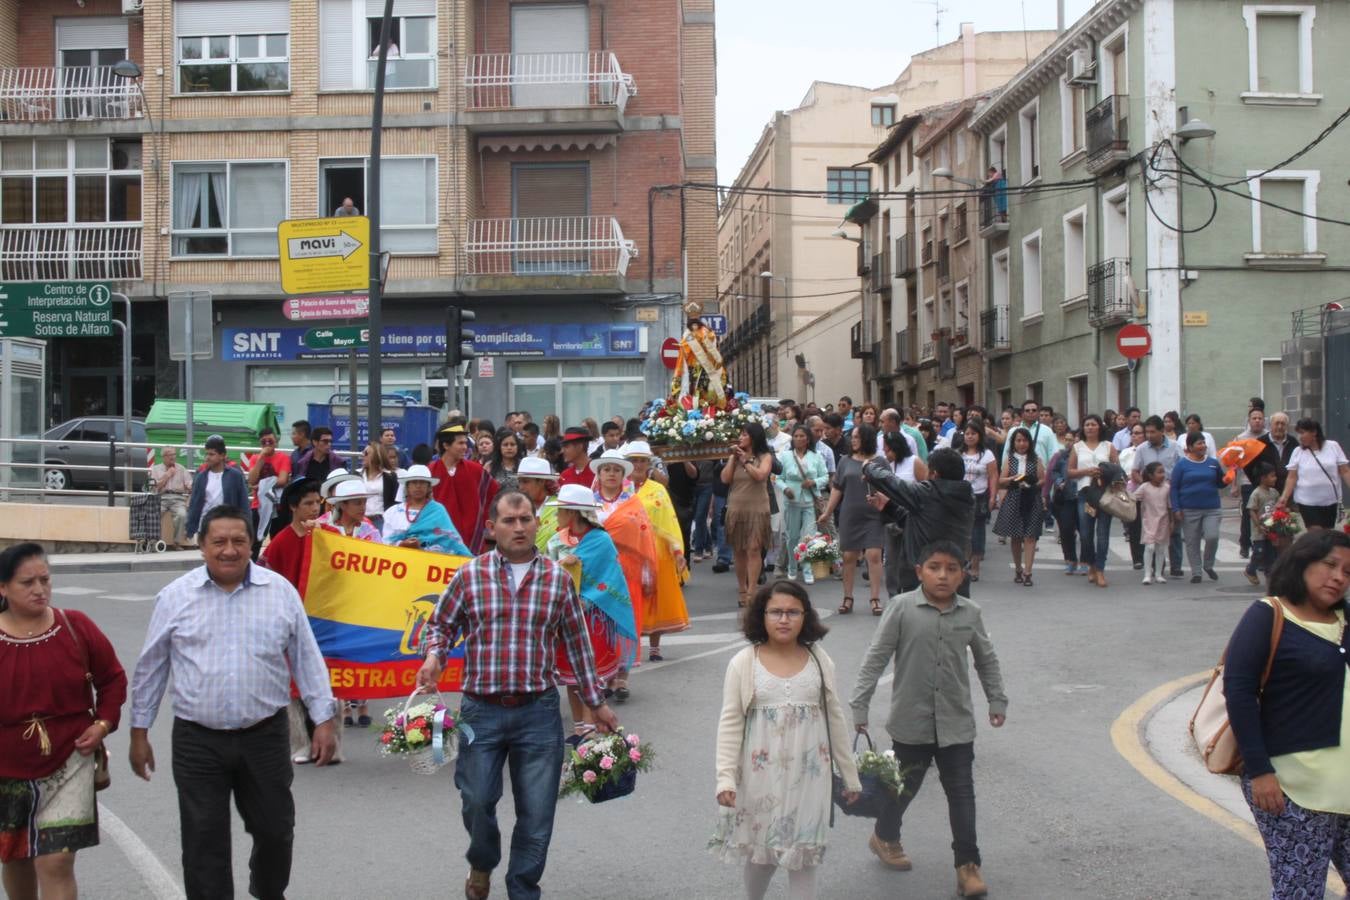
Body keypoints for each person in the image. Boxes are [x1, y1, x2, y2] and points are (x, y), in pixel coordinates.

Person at [417, 491, 620, 900]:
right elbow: (440, 625)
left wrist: (596, 703)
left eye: (526, 519)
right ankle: (482, 860)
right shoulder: (470, 575)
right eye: (509, 521)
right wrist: (435, 656)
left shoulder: (557, 579)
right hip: (481, 711)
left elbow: (578, 646)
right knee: (475, 800)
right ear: (492, 529)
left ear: (536, 524)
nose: (520, 527)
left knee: (538, 814)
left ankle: (522, 889)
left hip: (539, 712)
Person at [129, 505, 338, 900]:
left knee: (276, 829)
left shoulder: (280, 593)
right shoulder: (175, 598)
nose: (229, 550)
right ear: (202, 546)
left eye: (239, 541)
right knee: (203, 841)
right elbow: (151, 668)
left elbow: (307, 658)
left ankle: (267, 890)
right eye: (219, 542)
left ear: (252, 544)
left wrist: (323, 719)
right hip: (197, 740)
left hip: (265, 735)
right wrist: (139, 732)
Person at [850, 541, 1007, 898]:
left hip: (956, 723)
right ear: (919, 571)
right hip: (911, 721)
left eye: (952, 568)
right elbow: (875, 658)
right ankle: (884, 836)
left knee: (962, 794)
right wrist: (860, 707)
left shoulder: (970, 612)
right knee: (902, 790)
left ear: (962, 574)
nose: (943, 575)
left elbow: (987, 660)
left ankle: (967, 865)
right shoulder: (901, 608)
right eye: (934, 567)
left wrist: (996, 699)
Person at [710, 581, 861, 900]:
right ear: (761, 616)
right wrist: (725, 779)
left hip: (810, 778)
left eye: (793, 612)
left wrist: (850, 776)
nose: (784, 619)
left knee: (803, 857)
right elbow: (730, 722)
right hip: (759, 780)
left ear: (806, 617)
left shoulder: (820, 660)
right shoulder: (744, 662)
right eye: (776, 612)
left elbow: (835, 719)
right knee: (762, 856)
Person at [1223, 530, 1350, 900]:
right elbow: (1240, 692)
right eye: (1329, 565)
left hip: (1345, 783)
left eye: (1348, 571)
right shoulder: (1269, 615)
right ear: (1302, 563)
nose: (1339, 577)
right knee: (1300, 892)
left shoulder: (1345, 620)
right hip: (1294, 787)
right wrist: (1261, 772)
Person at [0, 543, 127, 900]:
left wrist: (102, 724)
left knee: (55, 861)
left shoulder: (76, 626)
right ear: (3, 588)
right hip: (5, 767)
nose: (40, 589)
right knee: (16, 858)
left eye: (45, 579)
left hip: (70, 762)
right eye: (28, 582)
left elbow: (113, 679)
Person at [542, 484, 636, 742]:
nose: (557, 515)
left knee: (588, 674)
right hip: (565, 617)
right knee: (572, 676)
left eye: (561, 509)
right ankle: (580, 726)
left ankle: (590, 727)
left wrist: (585, 594)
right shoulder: (557, 539)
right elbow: (548, 570)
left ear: (573, 512)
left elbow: (610, 578)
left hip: (592, 615)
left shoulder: (601, 540)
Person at [863, 448, 975, 598]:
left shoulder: (928, 493)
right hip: (955, 575)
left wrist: (868, 468)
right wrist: (888, 506)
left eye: (928, 470)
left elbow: (894, 484)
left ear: (935, 474)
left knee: (919, 619)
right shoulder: (966, 495)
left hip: (923, 577)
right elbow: (922, 522)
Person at [624, 441, 690, 661]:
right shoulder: (620, 489)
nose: (638, 465)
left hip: (656, 549)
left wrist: (677, 551)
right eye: (634, 460)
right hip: (628, 549)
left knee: (656, 596)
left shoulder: (658, 489)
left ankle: (654, 646)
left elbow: (670, 521)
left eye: (642, 460)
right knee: (631, 598)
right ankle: (633, 643)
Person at [817, 423, 884, 615]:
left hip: (873, 515)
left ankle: (875, 598)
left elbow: (889, 487)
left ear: (867, 439)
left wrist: (881, 499)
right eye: (852, 437)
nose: (853, 440)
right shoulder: (845, 461)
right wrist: (827, 512)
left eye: (857, 437)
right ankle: (847, 597)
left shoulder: (880, 461)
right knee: (848, 557)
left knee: (873, 555)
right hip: (850, 514)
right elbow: (837, 488)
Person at [723, 423, 775, 609]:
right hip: (737, 508)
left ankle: (752, 590)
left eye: (745, 434)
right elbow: (725, 479)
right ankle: (742, 589)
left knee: (754, 549)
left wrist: (746, 461)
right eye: (741, 434)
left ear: (754, 437)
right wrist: (732, 457)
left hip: (758, 508)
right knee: (739, 550)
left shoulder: (765, 456)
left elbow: (760, 475)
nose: (741, 437)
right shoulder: (735, 457)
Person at [430, 424, 499, 554]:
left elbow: (493, 494)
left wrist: (484, 522)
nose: (465, 447)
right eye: (460, 443)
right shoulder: (430, 471)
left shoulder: (476, 470)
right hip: (438, 536)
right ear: (446, 445)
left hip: (471, 536)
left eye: (466, 443)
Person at [1069, 415, 1119, 588]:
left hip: (1105, 494)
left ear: (1099, 427)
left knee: (1103, 534)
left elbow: (1117, 470)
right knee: (1085, 534)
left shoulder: (1109, 446)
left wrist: (1104, 473)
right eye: (1087, 425)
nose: (1090, 427)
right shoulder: (1077, 447)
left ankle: (1100, 569)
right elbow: (1070, 471)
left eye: (1093, 424)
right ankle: (1090, 563)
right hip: (1085, 494)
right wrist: (1086, 471)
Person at [1131, 415, 1185, 577]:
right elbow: (1134, 471)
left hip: (1170, 492)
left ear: (1162, 431)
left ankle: (1176, 565)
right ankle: (1156, 566)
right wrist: (1147, 485)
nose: (1149, 435)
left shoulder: (1175, 447)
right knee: (1153, 529)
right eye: (1147, 432)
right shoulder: (1142, 449)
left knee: (1173, 528)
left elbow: (1182, 469)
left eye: (1152, 432)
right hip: (1151, 496)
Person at [1171, 431, 1227, 584]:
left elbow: (1220, 482)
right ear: (1190, 447)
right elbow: (1174, 487)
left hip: (1212, 508)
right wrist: (1176, 508)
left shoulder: (1213, 463)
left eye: (1203, 443)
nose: (1203, 446)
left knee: (1212, 536)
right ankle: (1196, 571)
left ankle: (1208, 565)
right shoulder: (1182, 465)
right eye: (1199, 443)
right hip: (1189, 509)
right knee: (1192, 541)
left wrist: (1228, 478)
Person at [1277, 417, 1350, 531]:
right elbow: (1292, 477)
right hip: (1307, 501)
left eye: (1303, 433)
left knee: (1327, 533)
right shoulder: (1298, 452)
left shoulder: (1333, 447)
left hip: (1330, 500)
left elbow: (1345, 471)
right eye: (1298, 433)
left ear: (1314, 432)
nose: (1300, 437)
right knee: (1316, 533)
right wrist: (1284, 498)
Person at [381, 464, 472, 555]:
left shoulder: (438, 510)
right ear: (407, 487)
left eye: (422, 482)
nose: (418, 486)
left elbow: (451, 541)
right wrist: (401, 544)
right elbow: (386, 542)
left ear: (429, 487)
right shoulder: (393, 512)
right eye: (414, 482)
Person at [993, 427, 1044, 586]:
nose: (1022, 444)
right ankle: (1017, 568)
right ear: (1013, 443)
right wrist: (1012, 479)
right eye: (1018, 440)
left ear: (1030, 442)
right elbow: (1000, 481)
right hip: (1014, 497)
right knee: (1016, 536)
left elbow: (1043, 479)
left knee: (1030, 536)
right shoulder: (1009, 459)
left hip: (1031, 498)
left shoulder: (1035, 459)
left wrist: (1033, 484)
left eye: (1025, 440)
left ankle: (1028, 572)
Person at [778, 425, 828, 584]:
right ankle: (792, 567)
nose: (798, 439)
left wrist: (814, 482)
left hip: (809, 500)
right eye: (796, 436)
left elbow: (825, 476)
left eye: (802, 436)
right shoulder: (785, 456)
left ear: (808, 439)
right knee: (792, 537)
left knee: (808, 536)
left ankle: (807, 569)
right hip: (791, 500)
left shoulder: (816, 456)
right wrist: (785, 489)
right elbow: (777, 477)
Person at [185, 435, 248, 542]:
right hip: (205, 526)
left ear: (222, 455)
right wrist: (190, 527)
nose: (207, 457)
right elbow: (194, 504)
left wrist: (246, 527)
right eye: (206, 454)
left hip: (228, 525)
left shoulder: (235, 476)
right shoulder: (201, 477)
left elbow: (243, 502)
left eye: (212, 454)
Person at [957, 423, 997, 581]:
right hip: (961, 497)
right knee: (962, 531)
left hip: (980, 496)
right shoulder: (959, 453)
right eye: (967, 433)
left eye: (973, 433)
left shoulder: (987, 454)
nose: (970, 436)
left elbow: (993, 476)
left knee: (977, 532)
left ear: (979, 436)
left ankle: (975, 566)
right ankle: (964, 562)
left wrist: (993, 497)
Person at [1232, 407, 1269, 559]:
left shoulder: (1268, 437)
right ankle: (1245, 544)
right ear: (1249, 421)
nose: (1257, 421)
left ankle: (1263, 544)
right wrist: (1234, 484)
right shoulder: (1241, 438)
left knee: (1266, 514)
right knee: (1248, 514)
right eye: (1254, 418)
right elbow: (1234, 462)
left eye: (1260, 418)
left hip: (1266, 481)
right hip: (1247, 481)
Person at [1245, 463, 1281, 587]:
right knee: (1259, 552)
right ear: (1262, 478)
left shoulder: (1274, 492)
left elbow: (1278, 507)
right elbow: (1252, 510)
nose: (1275, 478)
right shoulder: (1256, 493)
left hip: (1272, 529)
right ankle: (1250, 570)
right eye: (1272, 476)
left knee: (1271, 554)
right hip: (1259, 531)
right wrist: (1258, 526)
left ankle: (1270, 576)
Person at [1136, 462, 1172, 584]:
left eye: (1163, 472)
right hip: (1148, 521)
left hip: (1163, 522)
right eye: (1159, 472)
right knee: (1150, 547)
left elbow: (1170, 506)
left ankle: (1158, 574)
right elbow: (1134, 498)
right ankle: (1147, 574)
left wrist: (1172, 522)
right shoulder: (1144, 487)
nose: (1162, 475)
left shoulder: (1167, 487)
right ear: (1150, 475)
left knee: (1161, 548)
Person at [150, 446, 193, 548]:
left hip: (178, 498)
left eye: (174, 454)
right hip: (161, 497)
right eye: (170, 455)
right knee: (154, 513)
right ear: (164, 457)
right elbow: (153, 488)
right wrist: (167, 475)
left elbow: (189, 484)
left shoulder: (181, 468)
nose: (173, 457)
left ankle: (177, 542)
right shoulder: (155, 469)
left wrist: (189, 487)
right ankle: (154, 542)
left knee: (182, 515)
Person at [356, 440, 398, 532]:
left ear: (375, 455)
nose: (363, 455)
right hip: (360, 520)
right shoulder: (357, 475)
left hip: (381, 519)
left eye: (366, 453)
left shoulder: (390, 476)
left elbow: (394, 501)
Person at [1002, 400, 1057, 468]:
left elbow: (1053, 454)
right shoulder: (1013, 431)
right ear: (1022, 413)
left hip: (1041, 474)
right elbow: (1007, 453)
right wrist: (1004, 471)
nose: (1031, 412)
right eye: (1027, 410)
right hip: (1016, 474)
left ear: (1038, 413)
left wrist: (1050, 474)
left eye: (1034, 410)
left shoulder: (1047, 430)